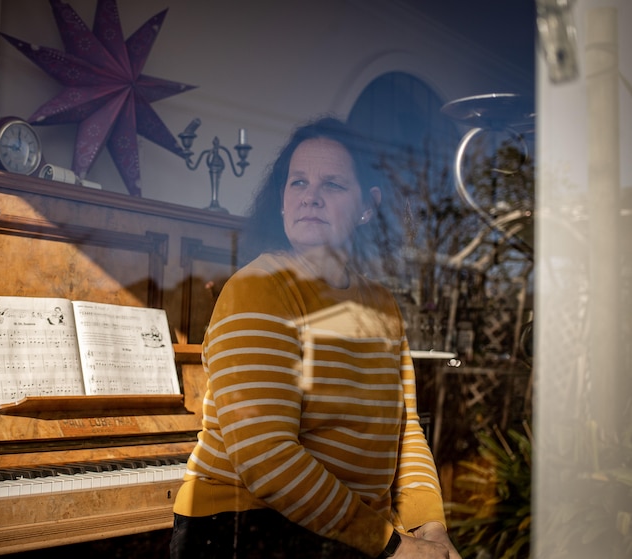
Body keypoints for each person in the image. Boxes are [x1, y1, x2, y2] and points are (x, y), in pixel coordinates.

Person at [170, 116, 460, 559]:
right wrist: (395, 547)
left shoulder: (381, 305)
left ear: (368, 206)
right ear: (283, 203)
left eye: (333, 185)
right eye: (298, 183)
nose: (310, 196)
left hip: (351, 533)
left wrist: (431, 529)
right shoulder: (259, 288)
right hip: (245, 528)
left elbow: (406, 432)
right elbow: (267, 458)